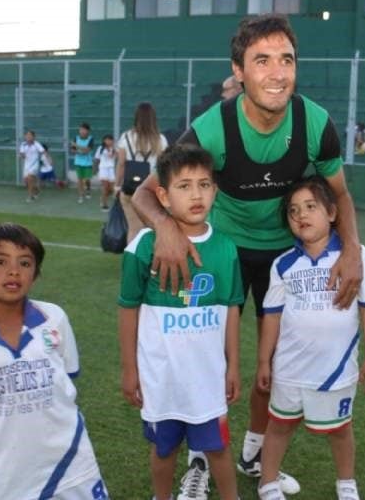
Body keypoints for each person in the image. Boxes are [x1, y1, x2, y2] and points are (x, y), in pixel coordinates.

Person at [132, 13, 363, 498]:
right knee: (206, 357)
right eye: (263, 61)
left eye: (287, 60)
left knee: (274, 363)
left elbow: (340, 196)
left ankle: (254, 451)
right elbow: (146, 196)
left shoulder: (315, 123)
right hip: (225, 252)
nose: (278, 73)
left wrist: (353, 252)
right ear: (238, 71)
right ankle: (198, 457)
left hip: (284, 253)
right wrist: (168, 230)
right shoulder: (210, 128)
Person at [0, 223, 108, 500]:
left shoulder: (55, 319)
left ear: (36, 275)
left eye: (25, 263)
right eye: (0, 262)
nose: (14, 271)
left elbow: (66, 380)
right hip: (8, 473)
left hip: (72, 460)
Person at [118, 144, 242, 500]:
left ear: (215, 191)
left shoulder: (226, 248)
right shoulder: (143, 247)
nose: (196, 194)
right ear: (163, 195)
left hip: (207, 375)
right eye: (184, 186)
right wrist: (130, 369)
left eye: (204, 184)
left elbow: (231, 308)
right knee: (163, 448)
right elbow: (128, 308)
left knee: (217, 446)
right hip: (161, 376)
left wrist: (233, 365)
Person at [255, 176, 365, 500]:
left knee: (340, 430)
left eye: (310, 206)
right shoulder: (283, 264)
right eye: (293, 211)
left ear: (332, 212)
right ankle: (267, 483)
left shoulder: (357, 258)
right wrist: (263, 362)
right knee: (279, 426)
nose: (301, 215)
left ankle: (346, 483)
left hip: (336, 369)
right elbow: (271, 316)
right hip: (289, 368)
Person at [117, 102, 169, 243]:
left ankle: (132, 262)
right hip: (151, 189)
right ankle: (150, 260)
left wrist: (117, 185)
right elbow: (164, 167)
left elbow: (121, 163)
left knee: (134, 229)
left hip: (129, 187)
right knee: (153, 229)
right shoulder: (161, 140)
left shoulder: (126, 137)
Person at [70, 122, 95, 204]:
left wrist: (77, 146)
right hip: (78, 162)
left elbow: (87, 150)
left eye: (84, 130)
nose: (82, 131)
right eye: (81, 129)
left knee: (87, 179)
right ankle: (81, 196)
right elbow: (72, 151)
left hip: (88, 163)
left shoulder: (91, 139)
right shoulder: (76, 138)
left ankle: (88, 189)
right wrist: (79, 151)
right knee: (80, 180)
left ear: (88, 131)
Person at [18, 130, 44, 203]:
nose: (28, 137)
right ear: (25, 136)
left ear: (33, 137)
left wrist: (46, 159)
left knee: (29, 178)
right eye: (27, 135)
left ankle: (30, 196)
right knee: (26, 182)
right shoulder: (23, 144)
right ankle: (36, 190)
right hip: (27, 165)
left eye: (30, 135)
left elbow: (43, 152)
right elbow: (22, 154)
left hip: (35, 165)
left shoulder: (37, 144)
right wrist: (21, 155)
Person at [95, 134, 117, 211]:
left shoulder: (114, 149)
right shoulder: (100, 148)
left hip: (111, 169)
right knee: (105, 186)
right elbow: (97, 159)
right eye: (106, 140)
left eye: (110, 140)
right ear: (104, 141)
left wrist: (114, 149)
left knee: (111, 189)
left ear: (113, 141)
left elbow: (116, 157)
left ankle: (102, 198)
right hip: (103, 169)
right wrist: (95, 168)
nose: (108, 141)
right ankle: (104, 204)